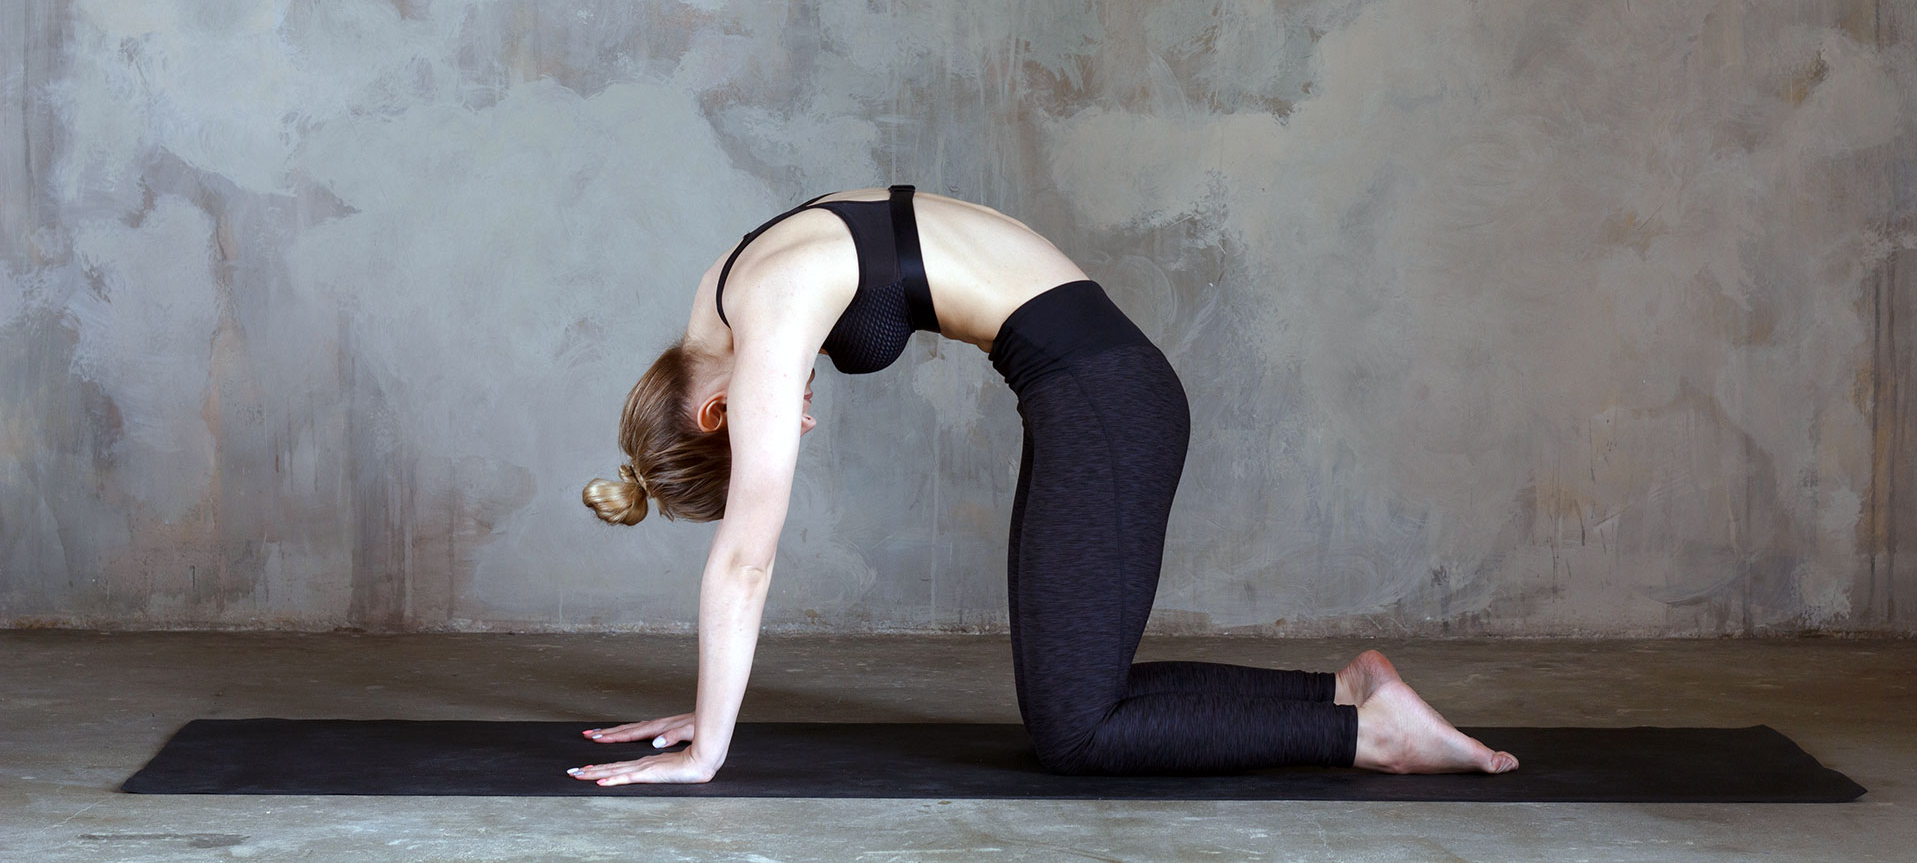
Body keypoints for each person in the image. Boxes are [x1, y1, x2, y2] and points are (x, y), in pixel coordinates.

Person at [570, 186, 1518, 785]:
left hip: (1103, 401)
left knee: (1077, 735)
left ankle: (1371, 736)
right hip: (1095, 393)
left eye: (780, 422)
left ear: (716, 418)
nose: (800, 418)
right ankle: (1343, 692)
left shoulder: (765, 310)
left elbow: (746, 556)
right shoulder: (731, 282)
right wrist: (712, 696)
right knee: (1077, 695)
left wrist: (711, 751)